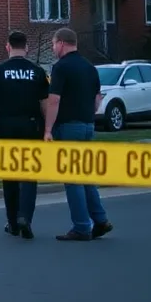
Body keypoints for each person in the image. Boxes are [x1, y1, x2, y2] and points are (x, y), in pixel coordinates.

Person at [43, 27, 111, 241]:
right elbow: (97, 100)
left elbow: (54, 100)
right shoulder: (90, 67)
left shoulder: (61, 67)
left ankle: (82, 226)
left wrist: (47, 130)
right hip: (87, 125)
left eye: (54, 44)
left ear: (61, 43)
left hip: (68, 127)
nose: (54, 48)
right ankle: (100, 220)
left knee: (72, 179)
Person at [0, 30, 50, 239]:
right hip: (31, 126)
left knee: (10, 176)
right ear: (27, 48)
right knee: (29, 175)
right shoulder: (38, 72)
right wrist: (46, 128)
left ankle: (12, 222)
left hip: (5, 127)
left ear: (8, 47)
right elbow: (45, 103)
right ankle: (25, 218)